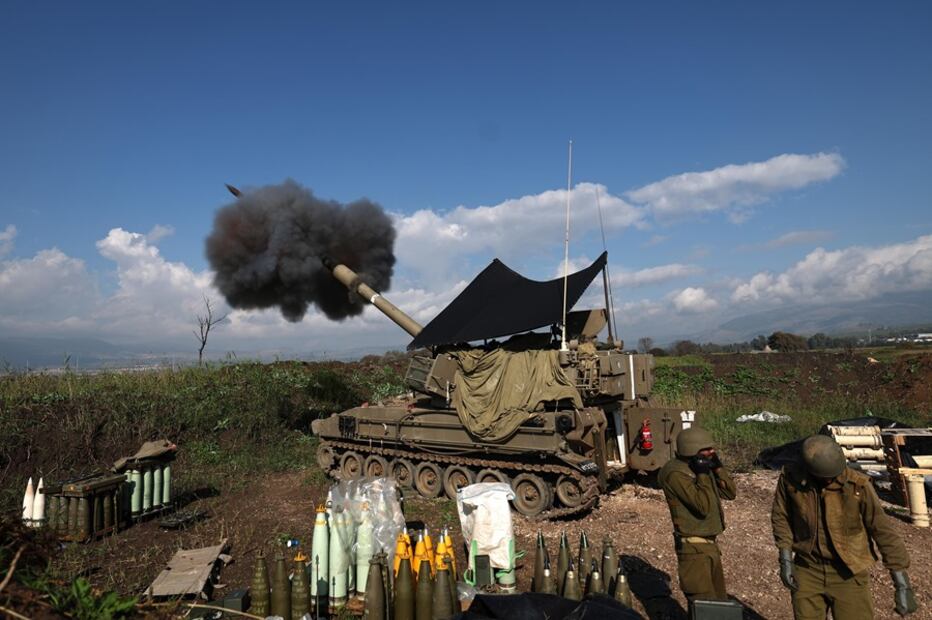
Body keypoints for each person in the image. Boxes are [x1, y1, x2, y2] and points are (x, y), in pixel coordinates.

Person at [771, 434, 918, 619]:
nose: (832, 480)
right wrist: (785, 560)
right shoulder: (791, 479)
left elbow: (882, 530)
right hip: (808, 569)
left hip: (848, 573)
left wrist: (902, 584)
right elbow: (781, 517)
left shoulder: (857, 486)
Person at [658, 426, 737, 606]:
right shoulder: (676, 474)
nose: (712, 452)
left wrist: (718, 468)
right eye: (707, 449)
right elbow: (703, 507)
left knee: (719, 603)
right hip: (694, 549)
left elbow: (730, 493)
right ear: (691, 450)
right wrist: (702, 475)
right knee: (705, 605)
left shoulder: (697, 465)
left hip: (709, 546)